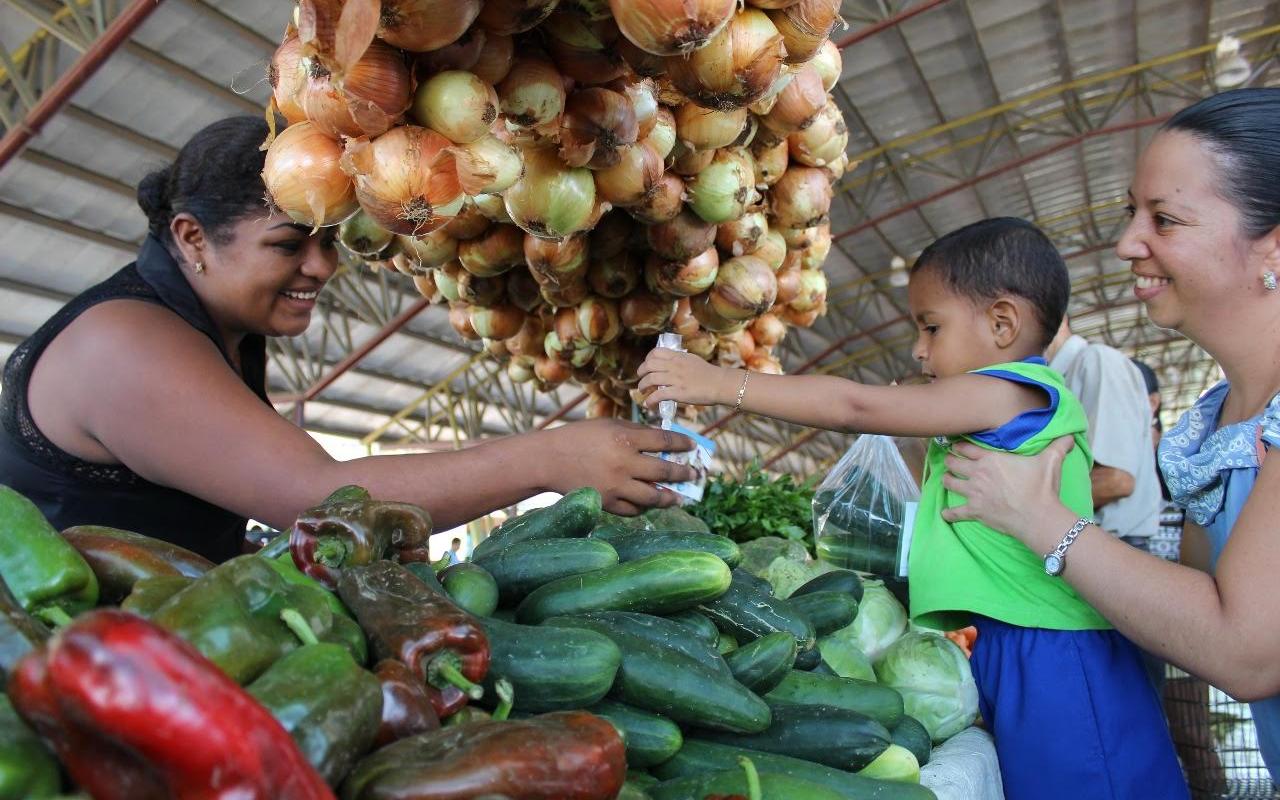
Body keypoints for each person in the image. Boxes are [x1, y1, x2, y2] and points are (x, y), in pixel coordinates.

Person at [639, 217, 1186, 800]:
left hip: (1052, 649)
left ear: (1002, 324)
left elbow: (854, 406)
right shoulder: (995, 404)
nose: (918, 349)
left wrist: (723, 384)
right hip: (1014, 642)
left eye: (931, 327)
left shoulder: (1015, 390)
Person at [0, 116, 695, 564]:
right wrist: (548, 457)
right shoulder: (126, 343)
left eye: (329, 241)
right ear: (192, 239)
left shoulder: (213, 330)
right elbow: (313, 494)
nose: (321, 267)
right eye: (288, 244)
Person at [935, 88, 1280, 783]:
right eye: (1131, 212)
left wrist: (1045, 521)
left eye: (1167, 219)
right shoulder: (1223, 416)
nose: (1127, 243)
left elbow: (1246, 652)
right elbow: (1193, 601)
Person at [1046, 318, 1162, 552]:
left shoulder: (1095, 361)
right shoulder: (1055, 378)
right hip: (1084, 543)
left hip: (1114, 550)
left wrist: (1028, 506)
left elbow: (1116, 480)